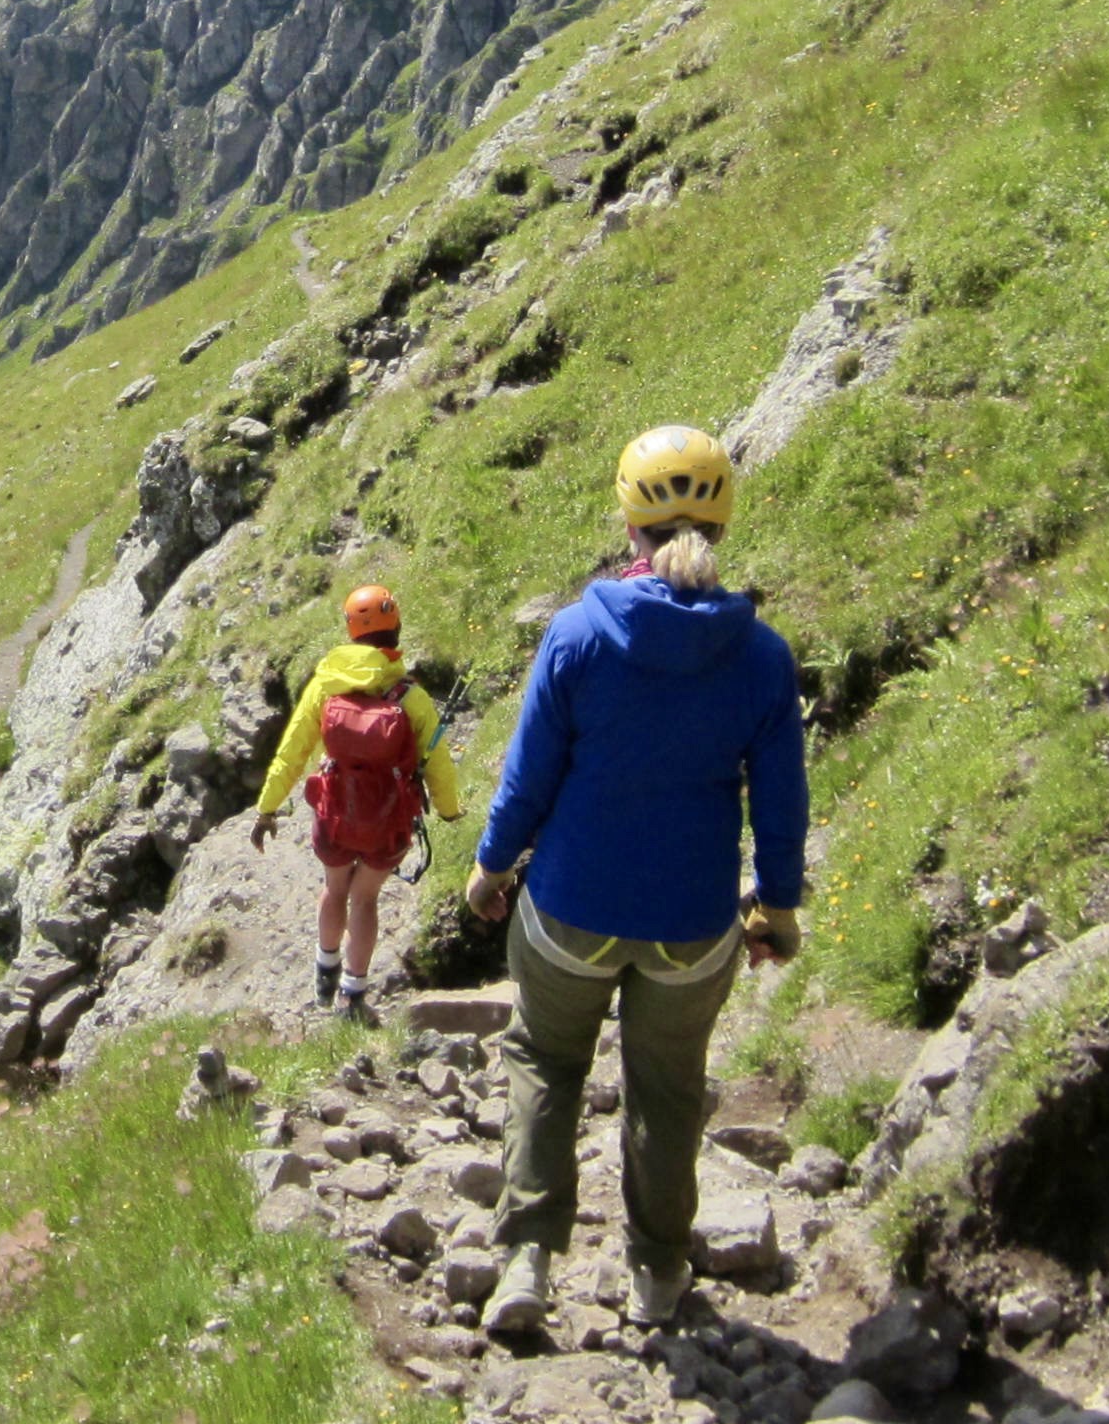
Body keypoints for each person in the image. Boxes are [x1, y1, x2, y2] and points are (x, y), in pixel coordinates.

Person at [466, 425, 805, 1340]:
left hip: (570, 912)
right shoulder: (762, 658)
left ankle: (528, 1260)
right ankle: (657, 1272)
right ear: (722, 525)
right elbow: (782, 806)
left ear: (630, 526)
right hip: (693, 927)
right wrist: (777, 909)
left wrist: (490, 872)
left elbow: (527, 781)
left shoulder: (579, 635)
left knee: (547, 1058)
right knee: (667, 1086)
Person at [254, 584, 465, 1022]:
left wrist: (267, 808)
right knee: (364, 899)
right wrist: (449, 810)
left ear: (351, 631)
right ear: (396, 628)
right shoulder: (411, 697)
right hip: (388, 823)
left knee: (334, 889)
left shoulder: (325, 686)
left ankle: (324, 971)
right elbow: (439, 764)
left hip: (335, 815)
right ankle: (353, 994)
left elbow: (292, 752)